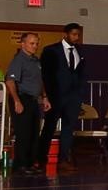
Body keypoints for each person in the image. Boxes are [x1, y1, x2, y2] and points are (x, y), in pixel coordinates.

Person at [37, 22, 86, 169]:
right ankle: (41, 159)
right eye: (73, 34)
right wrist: (46, 95)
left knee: (68, 128)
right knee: (49, 128)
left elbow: (80, 74)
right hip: (56, 95)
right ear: (65, 34)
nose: (76, 37)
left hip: (73, 97)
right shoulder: (51, 50)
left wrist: (80, 94)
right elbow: (45, 74)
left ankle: (63, 159)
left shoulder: (80, 51)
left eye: (78, 34)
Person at [4, 32, 45, 174]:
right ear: (23, 44)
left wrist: (44, 97)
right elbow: (10, 81)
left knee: (34, 133)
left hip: (33, 100)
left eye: (36, 43)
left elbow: (40, 81)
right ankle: (20, 164)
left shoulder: (36, 61)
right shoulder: (19, 60)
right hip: (22, 98)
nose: (35, 46)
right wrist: (16, 101)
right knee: (24, 133)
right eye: (32, 43)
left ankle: (30, 163)